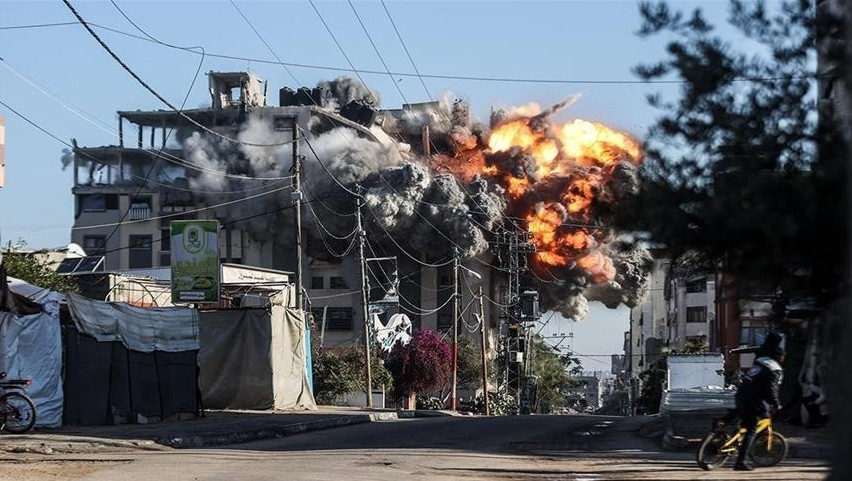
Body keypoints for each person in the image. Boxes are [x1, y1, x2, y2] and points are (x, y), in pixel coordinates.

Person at [732, 332, 785, 471]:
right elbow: (771, 389)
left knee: (742, 420)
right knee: (752, 429)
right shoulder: (774, 369)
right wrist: (776, 403)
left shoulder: (760, 360)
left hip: (741, 393)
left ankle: (726, 440)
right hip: (753, 399)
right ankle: (740, 461)